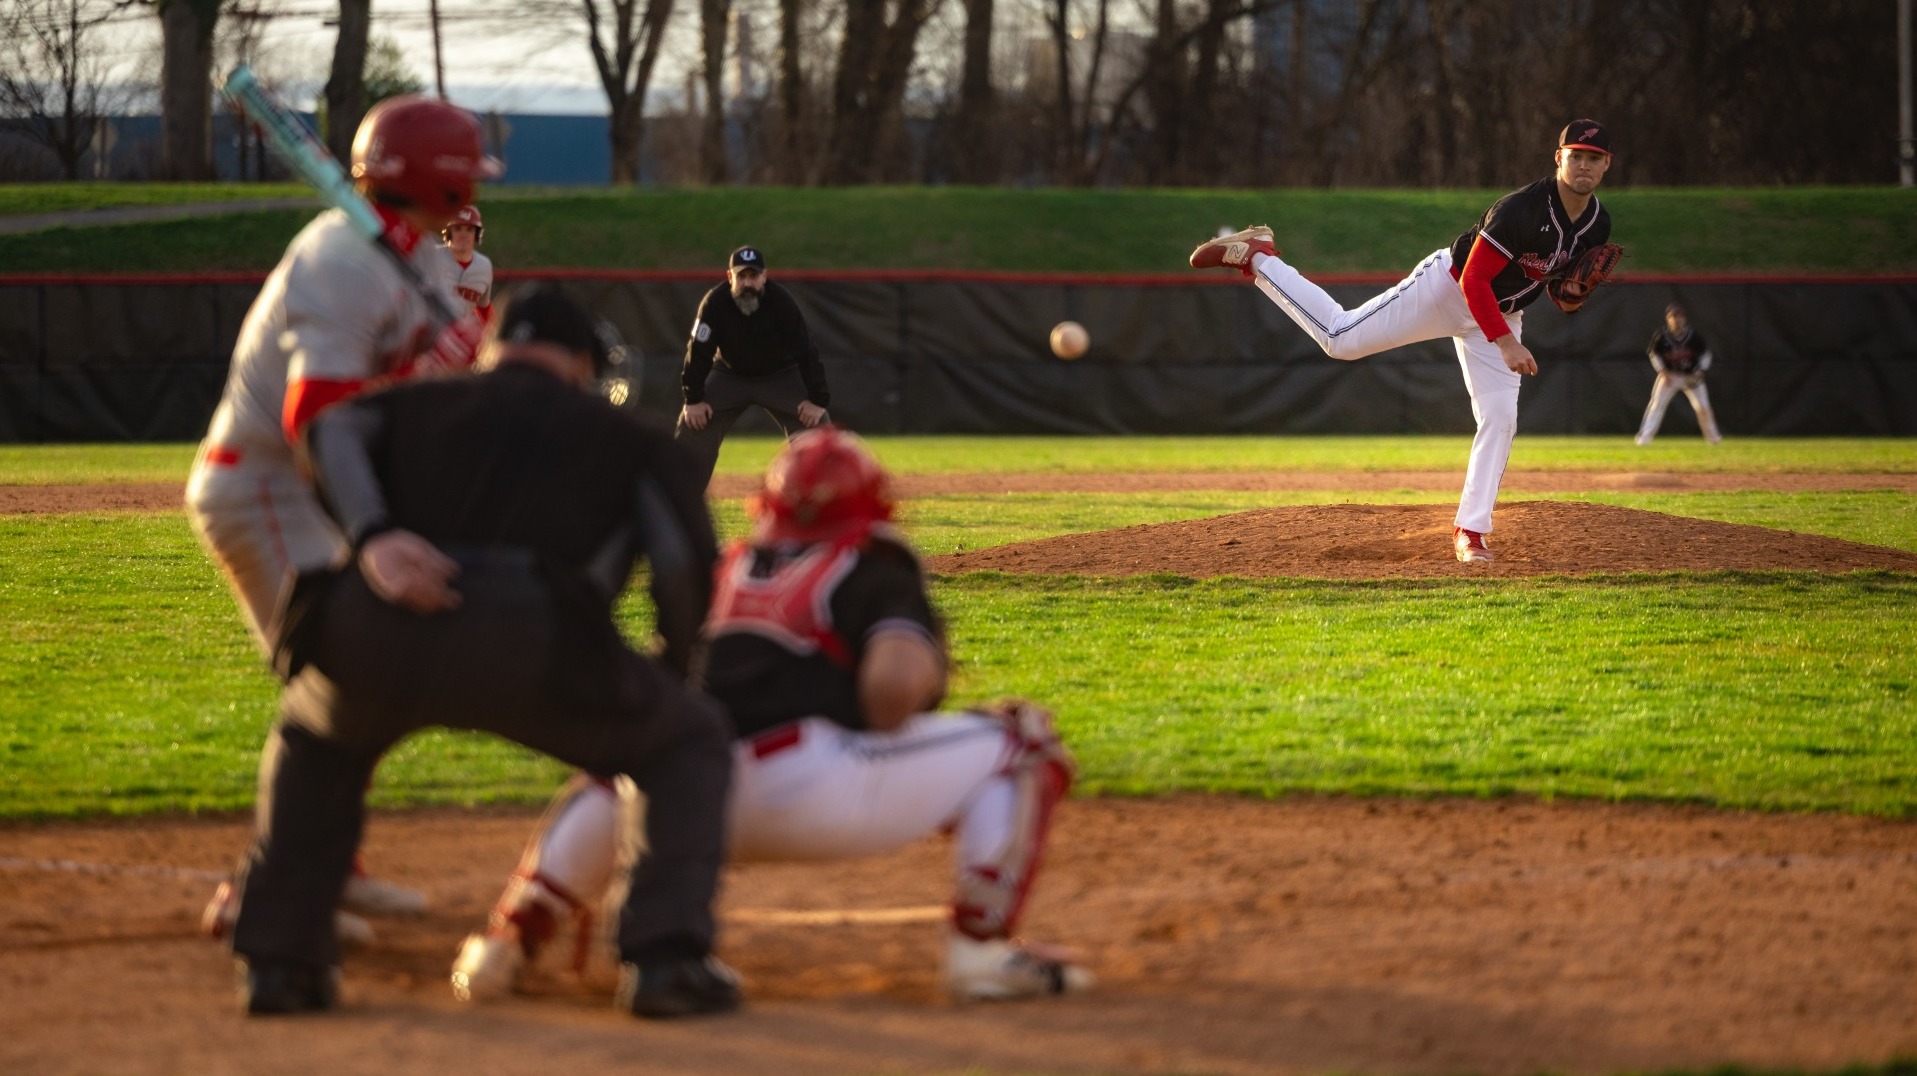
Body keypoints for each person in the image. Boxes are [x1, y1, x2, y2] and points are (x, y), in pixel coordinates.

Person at [227, 284, 739, 1019]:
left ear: (496, 347)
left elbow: (331, 433)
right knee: (687, 738)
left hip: (380, 630)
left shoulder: (413, 403)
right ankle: (666, 963)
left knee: (315, 736)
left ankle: (281, 965)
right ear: (577, 361)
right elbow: (683, 566)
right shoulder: (631, 436)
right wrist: (671, 669)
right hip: (539, 640)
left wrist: (372, 536)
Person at [450, 427, 1092, 1005]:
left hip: (675, 803)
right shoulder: (871, 564)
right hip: (808, 791)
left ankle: (505, 942)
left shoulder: (719, 566)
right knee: (1022, 738)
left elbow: (653, 689)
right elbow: (891, 694)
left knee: (619, 767)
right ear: (869, 505)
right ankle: (980, 952)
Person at [188, 95, 499, 936]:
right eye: (464, 172)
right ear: (440, 178)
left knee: (371, 677)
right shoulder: (338, 259)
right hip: (263, 487)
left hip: (310, 494)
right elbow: (316, 419)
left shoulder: (425, 266)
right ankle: (274, 890)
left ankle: (330, 867)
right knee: (338, 678)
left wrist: (466, 360)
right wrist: (423, 378)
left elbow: (425, 393)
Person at [1190, 119, 1617, 563]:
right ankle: (1260, 256)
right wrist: (1506, 344)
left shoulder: (1597, 224)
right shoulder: (1521, 210)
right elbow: (1474, 279)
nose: (1583, 165)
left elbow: (1558, 287)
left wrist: (1568, 300)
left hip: (1501, 313)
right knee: (1341, 338)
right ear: (1559, 158)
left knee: (1500, 416)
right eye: (1575, 155)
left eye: (1593, 158)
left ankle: (1471, 532)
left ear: (1606, 164)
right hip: (1449, 289)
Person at [676, 245, 831, 487]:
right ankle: (679, 505)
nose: (748, 283)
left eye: (753, 276)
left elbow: (806, 350)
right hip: (729, 374)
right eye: (741, 276)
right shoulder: (714, 303)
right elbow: (698, 351)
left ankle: (825, 505)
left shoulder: (781, 302)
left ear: (764, 277)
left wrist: (817, 400)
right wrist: (693, 398)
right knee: (693, 424)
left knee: (818, 431)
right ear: (730, 277)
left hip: (780, 375)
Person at [1635, 303, 1721, 445]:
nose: (1677, 319)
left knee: (1703, 407)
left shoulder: (1693, 336)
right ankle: (1644, 438)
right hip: (1670, 376)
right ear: (1668, 319)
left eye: (1679, 316)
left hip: (1691, 376)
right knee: (1657, 405)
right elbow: (1653, 354)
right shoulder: (1662, 336)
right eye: (1673, 316)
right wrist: (1663, 372)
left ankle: (1713, 439)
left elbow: (1706, 355)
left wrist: (1700, 372)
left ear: (1684, 318)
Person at [442, 204, 495, 324]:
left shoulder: (484, 265)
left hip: (463, 334)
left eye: (470, 229)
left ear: (477, 235)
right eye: (457, 228)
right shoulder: (431, 257)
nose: (463, 235)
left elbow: (484, 308)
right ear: (448, 233)